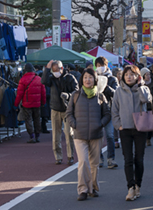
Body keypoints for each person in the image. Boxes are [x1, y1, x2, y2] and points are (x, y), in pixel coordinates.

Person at [65, 68, 111, 201]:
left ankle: (93, 188)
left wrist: (100, 124)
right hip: (80, 135)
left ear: (95, 80)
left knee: (95, 164)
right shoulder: (75, 95)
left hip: (96, 134)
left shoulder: (100, 96)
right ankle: (83, 189)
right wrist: (74, 124)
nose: (87, 80)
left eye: (90, 77)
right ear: (82, 80)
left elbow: (107, 114)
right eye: (85, 77)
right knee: (83, 162)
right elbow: (69, 113)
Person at [111, 65, 152, 201]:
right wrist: (118, 125)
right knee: (128, 159)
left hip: (140, 128)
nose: (129, 77)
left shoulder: (143, 89)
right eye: (126, 74)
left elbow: (147, 99)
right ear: (123, 76)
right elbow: (114, 110)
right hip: (125, 129)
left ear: (137, 76)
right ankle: (130, 187)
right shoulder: (118, 91)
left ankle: (138, 185)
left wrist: (141, 85)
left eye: (132, 74)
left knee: (138, 159)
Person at [42, 60, 79, 165]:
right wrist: (47, 69)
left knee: (68, 133)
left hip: (67, 110)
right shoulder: (51, 78)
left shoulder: (70, 78)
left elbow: (76, 91)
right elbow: (43, 81)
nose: (55, 73)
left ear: (62, 68)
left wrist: (68, 95)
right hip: (55, 109)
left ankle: (70, 155)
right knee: (55, 135)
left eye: (56, 70)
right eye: (53, 71)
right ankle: (58, 157)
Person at [94, 56, 119, 169]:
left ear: (107, 66)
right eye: (98, 66)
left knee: (110, 135)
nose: (100, 68)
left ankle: (111, 159)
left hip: (108, 110)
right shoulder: (93, 78)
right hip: (96, 110)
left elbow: (116, 93)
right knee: (97, 137)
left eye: (102, 66)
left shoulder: (112, 79)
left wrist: (105, 86)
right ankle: (99, 159)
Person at [14, 63, 46, 143]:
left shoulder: (23, 79)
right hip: (37, 103)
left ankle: (31, 136)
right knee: (37, 119)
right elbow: (43, 93)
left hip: (27, 103)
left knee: (28, 119)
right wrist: (43, 102)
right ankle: (37, 136)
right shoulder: (39, 79)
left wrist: (16, 104)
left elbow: (19, 94)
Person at [140, 67, 153, 147]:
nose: (148, 76)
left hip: (150, 107)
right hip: (142, 108)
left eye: (149, 74)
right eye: (146, 75)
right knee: (143, 125)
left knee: (149, 126)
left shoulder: (152, 84)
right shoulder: (140, 84)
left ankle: (148, 139)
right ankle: (143, 140)